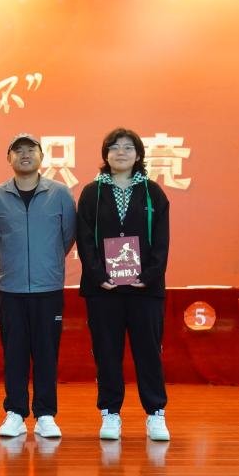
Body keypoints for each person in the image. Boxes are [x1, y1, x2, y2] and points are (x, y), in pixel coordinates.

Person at [76, 128, 171, 441]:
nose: (121, 152)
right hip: (103, 290)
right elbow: (84, 239)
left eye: (128, 147)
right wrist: (98, 276)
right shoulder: (92, 192)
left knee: (148, 352)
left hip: (146, 290)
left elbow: (161, 240)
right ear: (105, 154)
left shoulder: (153, 192)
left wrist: (150, 275)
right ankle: (110, 413)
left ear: (139, 154)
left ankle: (155, 413)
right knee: (106, 352)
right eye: (114, 147)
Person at [0, 133, 76, 439]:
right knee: (14, 352)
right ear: (9, 158)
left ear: (41, 156)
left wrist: (46, 262)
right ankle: (15, 412)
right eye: (18, 151)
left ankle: (46, 414)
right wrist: (11, 264)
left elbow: (67, 237)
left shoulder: (60, 193)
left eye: (30, 150)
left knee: (46, 352)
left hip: (48, 287)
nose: (25, 155)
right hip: (10, 289)